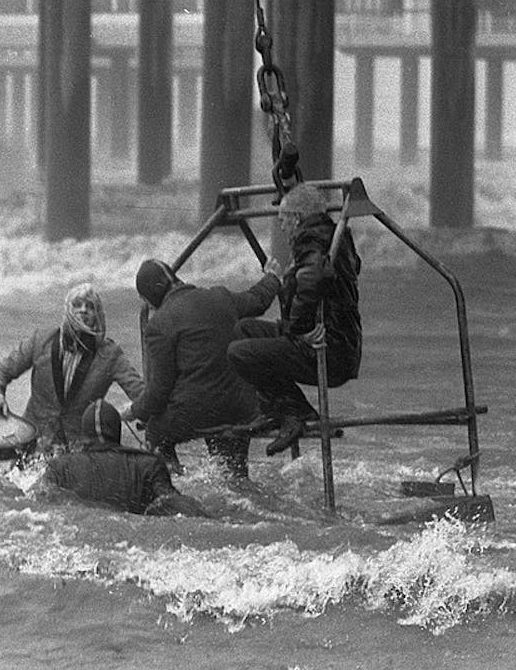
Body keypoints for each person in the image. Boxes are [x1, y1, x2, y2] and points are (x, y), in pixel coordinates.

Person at [227, 183, 362, 456]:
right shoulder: (330, 236)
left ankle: (297, 411)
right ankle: (278, 410)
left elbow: (311, 280)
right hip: (340, 344)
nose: (282, 228)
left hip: (328, 349)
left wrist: (299, 328)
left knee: (238, 353)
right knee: (244, 330)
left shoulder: (312, 240)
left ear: (297, 218)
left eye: (282, 221)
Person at [125, 257, 281, 479]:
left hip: (197, 412)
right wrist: (272, 278)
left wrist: (134, 411)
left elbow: (159, 392)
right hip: (241, 408)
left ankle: (174, 484)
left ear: (149, 298)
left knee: (155, 430)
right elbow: (258, 300)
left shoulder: (158, 325)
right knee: (233, 475)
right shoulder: (220, 296)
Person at [0, 283, 144, 452]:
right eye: (77, 305)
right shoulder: (41, 340)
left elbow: (142, 394)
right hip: (32, 440)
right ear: (67, 310)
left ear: (97, 315)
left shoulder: (110, 354)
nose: (83, 310)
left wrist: (125, 413)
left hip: (78, 449)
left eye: (90, 307)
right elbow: (0, 370)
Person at [40, 400, 213, 517]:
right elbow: (176, 505)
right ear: (117, 432)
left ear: (84, 434)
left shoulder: (60, 466)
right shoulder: (149, 464)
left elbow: (39, 500)